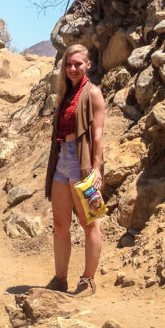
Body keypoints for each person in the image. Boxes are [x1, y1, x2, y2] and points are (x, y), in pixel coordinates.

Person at [44, 44, 105, 296]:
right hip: (61, 158)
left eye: (78, 64)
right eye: (68, 64)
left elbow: (98, 133)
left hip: (82, 161)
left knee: (88, 221)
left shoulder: (93, 93)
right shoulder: (65, 93)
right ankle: (60, 279)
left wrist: (97, 168)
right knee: (60, 224)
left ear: (87, 65)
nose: (72, 68)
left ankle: (88, 280)